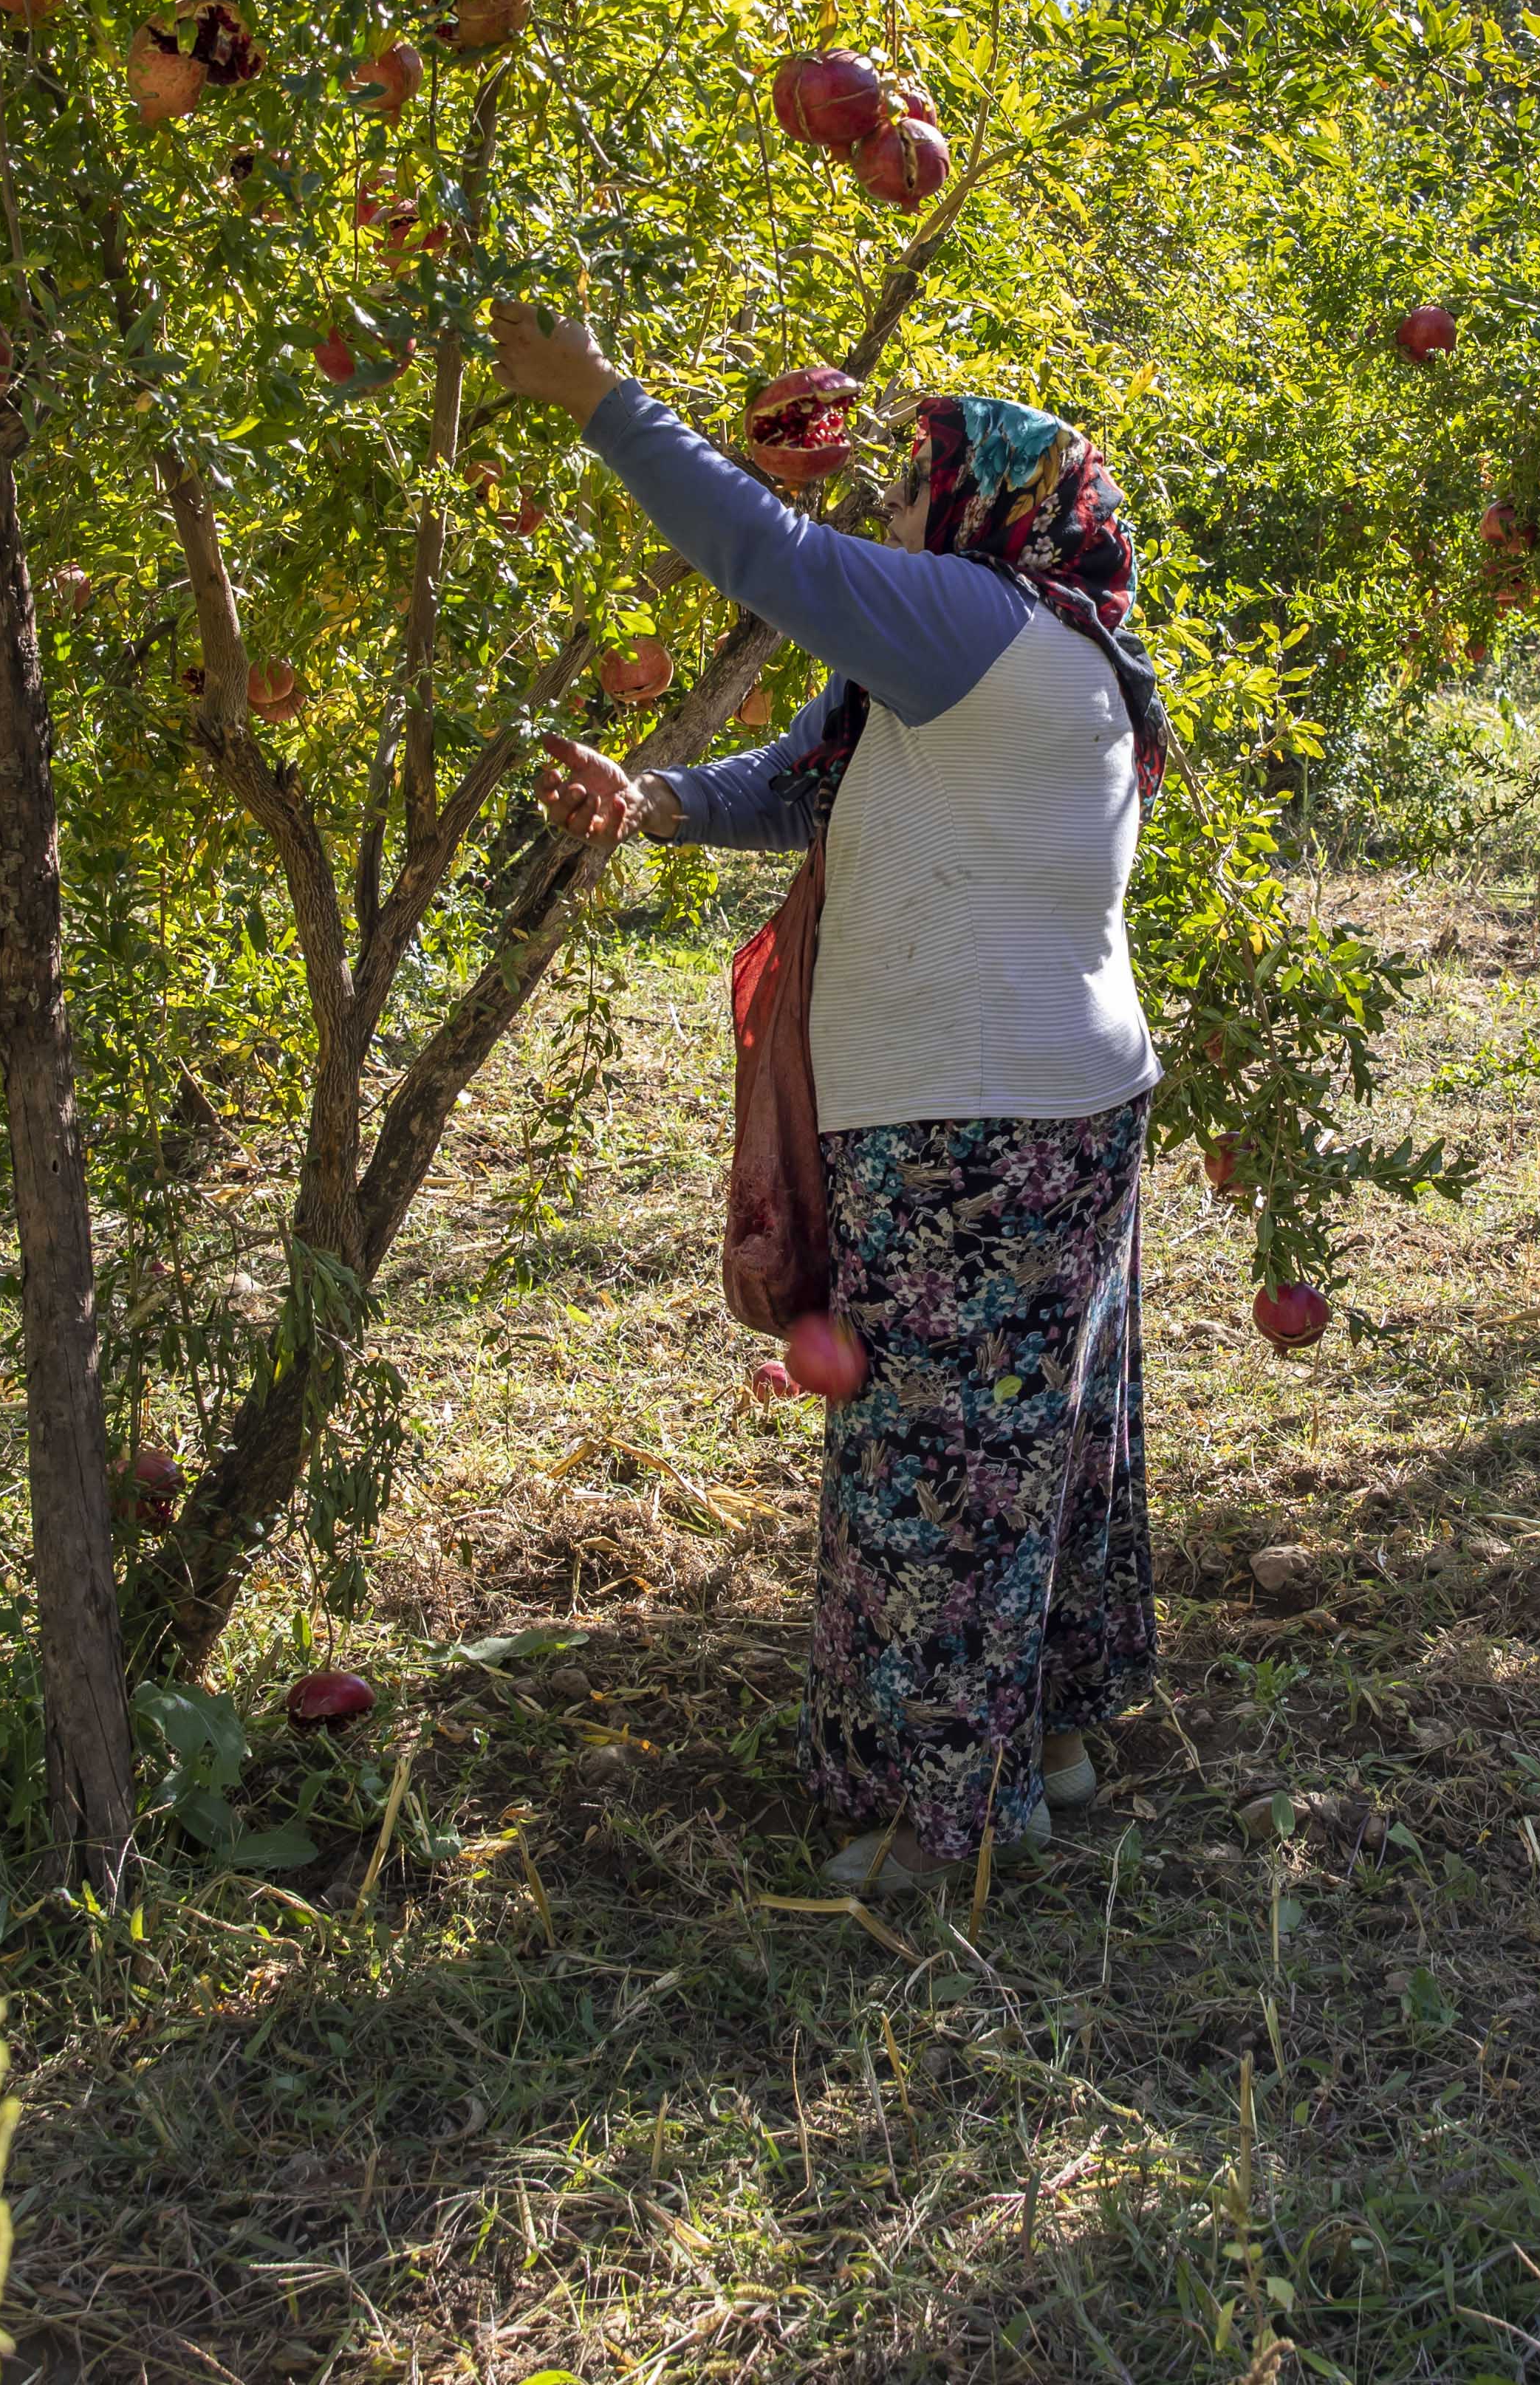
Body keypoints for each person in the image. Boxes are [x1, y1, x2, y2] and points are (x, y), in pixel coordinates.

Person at [490, 301, 1166, 1898]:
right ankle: (1042, 1735)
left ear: (989, 504)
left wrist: (599, 396)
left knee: (935, 1466)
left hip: (971, 1117)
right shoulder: (1016, 654)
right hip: (1044, 1096)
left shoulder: (978, 622)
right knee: (1036, 1441)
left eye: (917, 484)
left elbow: (772, 557)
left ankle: (950, 1824)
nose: (891, 513)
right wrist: (654, 800)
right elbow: (805, 781)